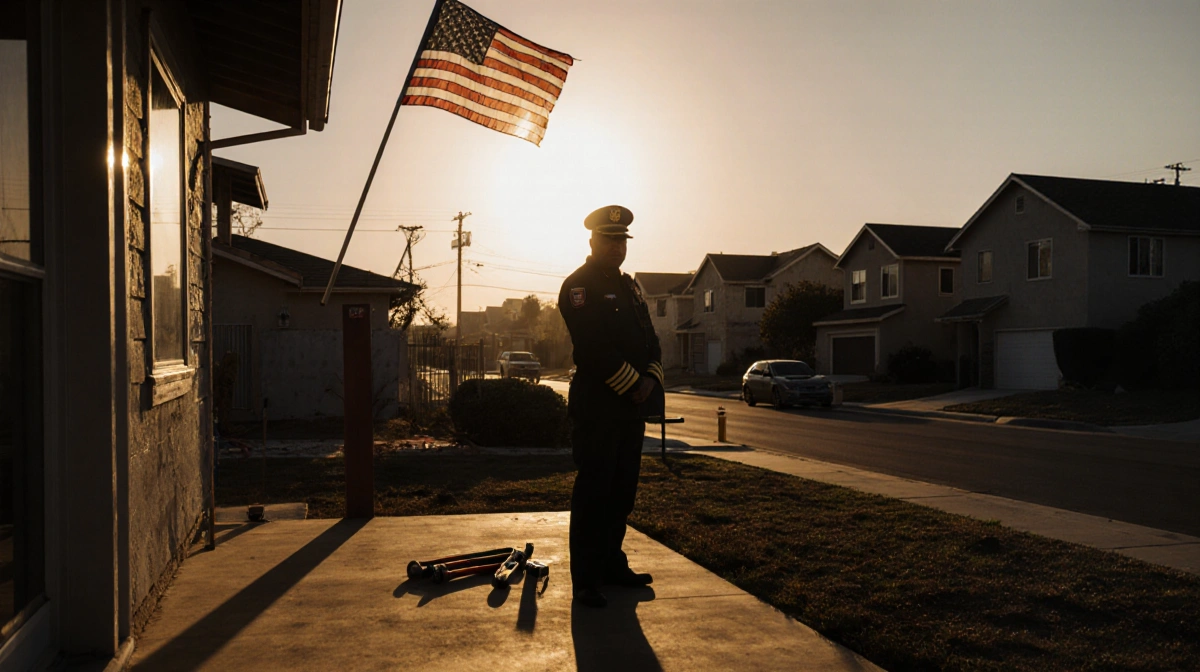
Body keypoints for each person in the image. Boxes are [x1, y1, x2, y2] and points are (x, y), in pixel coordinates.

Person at [558, 205, 664, 609]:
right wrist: (634, 384)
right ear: (592, 241)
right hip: (598, 408)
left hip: (630, 410)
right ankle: (586, 579)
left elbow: (651, 340)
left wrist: (650, 379)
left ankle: (611, 565)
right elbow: (592, 348)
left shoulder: (629, 287)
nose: (617, 247)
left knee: (622, 492)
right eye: (609, 240)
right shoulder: (578, 286)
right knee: (594, 493)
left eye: (621, 240)